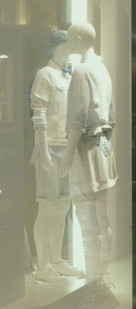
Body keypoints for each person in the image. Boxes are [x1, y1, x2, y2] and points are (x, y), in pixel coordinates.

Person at [58, 22, 118, 286]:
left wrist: (68, 155)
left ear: (80, 38)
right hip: (104, 150)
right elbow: (112, 117)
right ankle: (100, 272)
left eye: (71, 37)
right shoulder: (102, 70)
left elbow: (76, 120)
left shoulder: (82, 70)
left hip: (87, 150)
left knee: (87, 219)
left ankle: (95, 275)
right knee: (102, 217)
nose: (68, 42)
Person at [30, 30, 84, 282]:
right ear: (56, 48)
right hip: (50, 148)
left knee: (63, 206)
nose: (69, 52)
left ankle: (56, 259)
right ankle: (42, 265)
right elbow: (38, 114)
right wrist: (43, 151)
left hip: (66, 149)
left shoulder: (69, 75)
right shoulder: (45, 75)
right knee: (47, 206)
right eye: (65, 47)